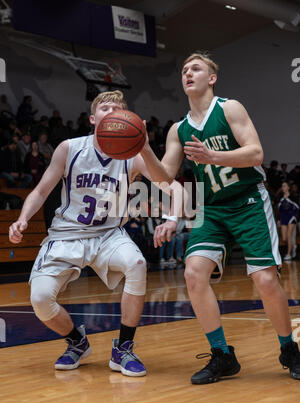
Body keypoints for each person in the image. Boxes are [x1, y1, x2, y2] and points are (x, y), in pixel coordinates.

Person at [153, 52, 300, 383]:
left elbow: (256, 153)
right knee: (193, 274)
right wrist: (141, 155)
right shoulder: (178, 130)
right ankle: (222, 355)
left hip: (248, 200)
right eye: (184, 70)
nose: (188, 73)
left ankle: (289, 348)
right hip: (212, 208)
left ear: (211, 78)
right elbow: (164, 174)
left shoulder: (229, 108)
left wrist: (212, 155)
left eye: (196, 68)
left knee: (264, 279)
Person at [9, 90, 172, 376]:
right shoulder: (69, 148)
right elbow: (42, 190)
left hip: (108, 234)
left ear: (125, 119)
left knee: (137, 264)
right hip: (66, 235)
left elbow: (164, 181)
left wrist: (145, 147)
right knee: (40, 299)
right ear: (94, 118)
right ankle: (77, 341)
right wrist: (22, 218)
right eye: (104, 108)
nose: (110, 111)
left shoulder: (131, 155)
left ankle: (123, 348)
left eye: (117, 109)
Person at [277, 181, 299, 261]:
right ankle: (293, 245)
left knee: (289, 236)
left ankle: (289, 254)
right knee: (284, 238)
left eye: (284, 186)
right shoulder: (280, 198)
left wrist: (295, 217)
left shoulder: (293, 197)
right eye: (282, 186)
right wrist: (279, 220)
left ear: (288, 187)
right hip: (283, 218)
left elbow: (297, 208)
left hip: (291, 218)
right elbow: (279, 210)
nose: (283, 187)